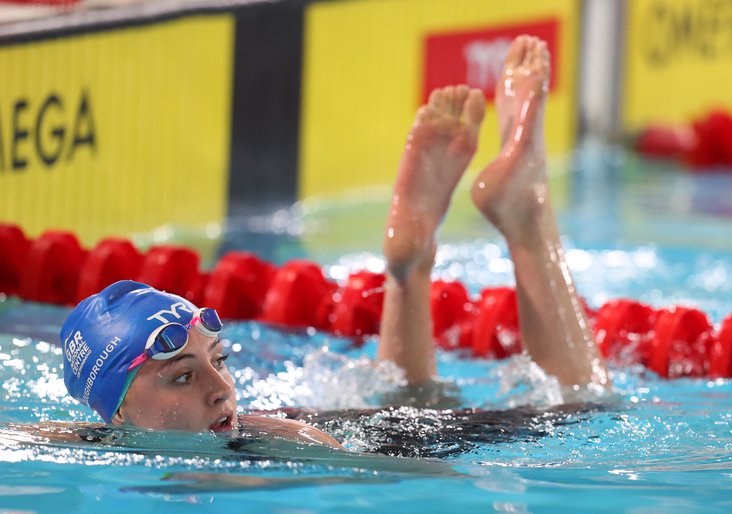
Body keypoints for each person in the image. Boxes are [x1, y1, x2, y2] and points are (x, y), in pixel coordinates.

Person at [56, 35, 608, 453]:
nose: (221, 387)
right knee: (412, 403)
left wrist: (313, 446)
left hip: (341, 436)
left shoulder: (265, 444)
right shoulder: (103, 441)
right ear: (116, 414)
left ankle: (528, 223)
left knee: (583, 409)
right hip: (335, 430)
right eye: (182, 375)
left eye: (216, 360)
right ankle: (410, 271)